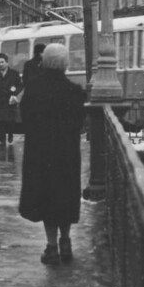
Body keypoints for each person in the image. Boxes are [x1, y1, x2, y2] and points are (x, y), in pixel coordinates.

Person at [18, 43, 87, 266]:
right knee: (64, 198)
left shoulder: (33, 88)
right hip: (66, 153)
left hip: (40, 153)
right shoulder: (75, 91)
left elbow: (25, 120)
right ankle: (66, 241)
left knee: (46, 200)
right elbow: (80, 124)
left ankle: (51, 247)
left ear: (44, 61)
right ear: (66, 64)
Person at [0, 52, 23, 145]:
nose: (0, 64)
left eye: (2, 62)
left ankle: (10, 136)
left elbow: (20, 86)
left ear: (7, 62)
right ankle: (2, 140)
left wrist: (14, 92)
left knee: (11, 121)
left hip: (10, 102)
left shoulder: (14, 74)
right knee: (0, 122)